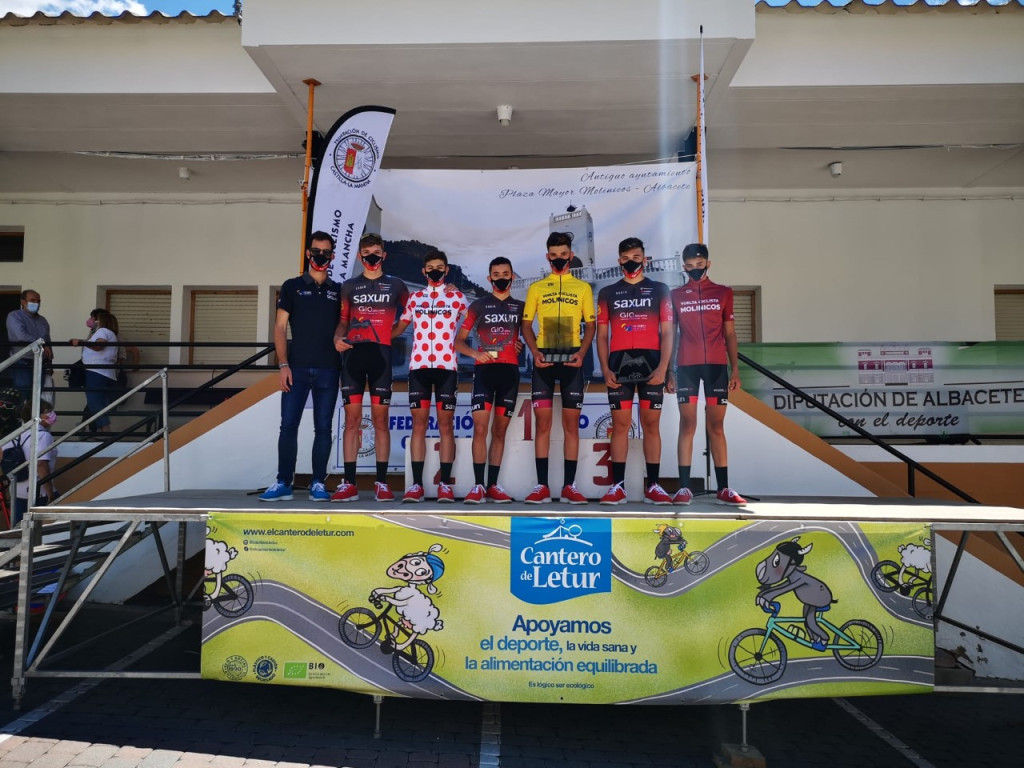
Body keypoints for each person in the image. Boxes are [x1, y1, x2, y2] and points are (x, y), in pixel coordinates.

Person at [258, 231, 342, 502]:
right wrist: (283, 364)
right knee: (288, 426)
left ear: (332, 256)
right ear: (308, 253)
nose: (320, 256)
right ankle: (284, 482)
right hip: (296, 369)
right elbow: (280, 327)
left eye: (326, 253)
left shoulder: (338, 290)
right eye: (316, 251)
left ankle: (318, 483)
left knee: (324, 428)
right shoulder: (292, 286)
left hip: (329, 369)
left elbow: (345, 324)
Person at [595, 237, 674, 505]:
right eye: (626, 258)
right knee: (620, 426)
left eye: (636, 257)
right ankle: (617, 487)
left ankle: (654, 486)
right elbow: (602, 335)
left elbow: (668, 332)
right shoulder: (607, 293)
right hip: (619, 367)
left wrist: (664, 367)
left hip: (652, 366)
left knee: (651, 425)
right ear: (619, 261)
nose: (631, 262)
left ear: (645, 259)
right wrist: (605, 368)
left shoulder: (660, 289)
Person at [332, 233, 409, 502]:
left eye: (377, 253)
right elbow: (343, 321)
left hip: (381, 357)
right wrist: (337, 338)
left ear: (384, 255)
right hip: (353, 357)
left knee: (380, 421)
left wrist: (392, 333)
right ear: (359, 256)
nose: (372, 258)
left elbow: (412, 313)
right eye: (367, 254)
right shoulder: (349, 286)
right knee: (352, 421)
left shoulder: (396, 285)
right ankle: (349, 483)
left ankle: (382, 483)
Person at [521, 232, 596, 504]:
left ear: (571, 255)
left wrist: (582, 353)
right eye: (554, 255)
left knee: (570, 425)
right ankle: (541, 486)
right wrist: (534, 352)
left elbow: (591, 326)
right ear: (547, 257)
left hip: (572, 361)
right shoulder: (537, 288)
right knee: (542, 424)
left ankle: (569, 487)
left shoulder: (583, 288)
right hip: (544, 362)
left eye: (564, 254)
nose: (559, 259)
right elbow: (526, 325)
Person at [670, 243, 746, 506]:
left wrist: (735, 369)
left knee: (716, 426)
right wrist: (669, 370)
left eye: (699, 265)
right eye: (690, 266)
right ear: (683, 266)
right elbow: (671, 336)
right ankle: (684, 488)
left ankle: (723, 488)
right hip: (686, 367)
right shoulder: (676, 295)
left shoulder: (723, 292)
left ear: (708, 264)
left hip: (716, 367)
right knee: (687, 424)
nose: (695, 269)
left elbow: (730, 333)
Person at [391, 250, 467, 503]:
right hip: (419, 369)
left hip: (446, 369)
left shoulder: (457, 297)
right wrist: (370, 336)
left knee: (446, 426)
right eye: (431, 268)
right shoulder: (415, 299)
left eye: (440, 267)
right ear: (424, 271)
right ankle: (416, 485)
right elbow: (399, 328)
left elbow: (479, 323)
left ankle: (445, 484)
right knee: (419, 426)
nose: (435, 271)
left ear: (446, 270)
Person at [454, 257, 523, 504]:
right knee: (480, 429)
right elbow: (458, 341)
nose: (501, 278)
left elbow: (529, 338)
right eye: (496, 274)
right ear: (489, 278)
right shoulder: (478, 306)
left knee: (499, 431)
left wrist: (522, 345)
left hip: (509, 373)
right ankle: (478, 486)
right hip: (484, 372)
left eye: (505, 274)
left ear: (512, 276)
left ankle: (493, 486)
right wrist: (475, 354)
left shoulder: (520, 307)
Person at [2, 399, 58, 527]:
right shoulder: (43, 436)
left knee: (19, 530)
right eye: (48, 411)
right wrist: (50, 494)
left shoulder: (17, 434)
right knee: (47, 529)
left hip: (17, 491)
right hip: (39, 492)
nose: (52, 414)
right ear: (37, 415)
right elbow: (41, 464)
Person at [70, 308, 119, 433]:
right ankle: (102, 430)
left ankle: (105, 430)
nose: (92, 321)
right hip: (105, 372)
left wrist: (81, 342)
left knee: (94, 403)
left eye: (94, 319)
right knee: (100, 402)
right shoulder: (111, 333)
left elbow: (99, 346)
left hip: (97, 371)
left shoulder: (102, 331)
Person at [5, 289, 52, 401]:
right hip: (22, 361)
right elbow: (21, 336)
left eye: (38, 301)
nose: (36, 303)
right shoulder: (15, 316)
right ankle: (21, 413)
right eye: (32, 300)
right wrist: (42, 344)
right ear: (23, 302)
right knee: (22, 395)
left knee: (37, 397)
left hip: (41, 363)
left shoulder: (42, 320)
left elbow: (48, 341)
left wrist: (50, 363)